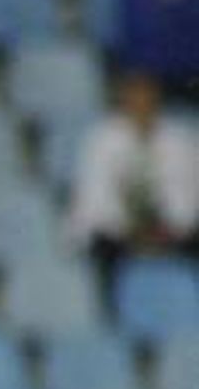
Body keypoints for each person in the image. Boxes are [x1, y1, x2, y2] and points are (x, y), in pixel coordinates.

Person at [69, 69, 199, 303]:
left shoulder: (181, 139)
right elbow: (95, 199)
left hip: (168, 231)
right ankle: (110, 317)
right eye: (135, 95)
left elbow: (190, 196)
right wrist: (132, 231)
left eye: (148, 95)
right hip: (117, 232)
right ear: (124, 99)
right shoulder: (101, 140)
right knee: (101, 250)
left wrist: (167, 228)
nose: (142, 103)